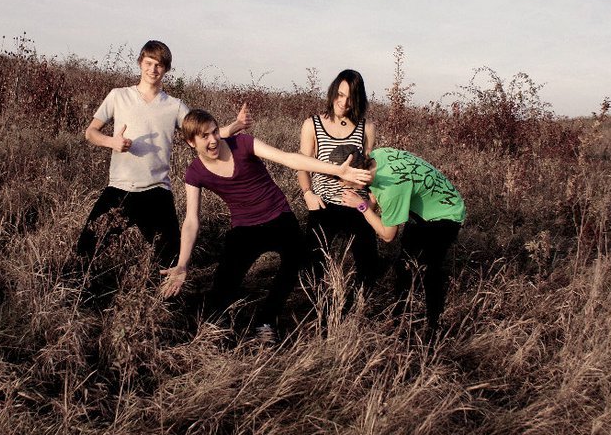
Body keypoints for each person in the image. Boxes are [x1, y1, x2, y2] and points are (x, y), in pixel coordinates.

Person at [159, 109, 371, 340]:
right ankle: (218, 328)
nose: (213, 140)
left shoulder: (242, 143)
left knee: (295, 261)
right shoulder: (195, 172)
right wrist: (182, 264)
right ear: (191, 142)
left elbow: (288, 158)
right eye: (204, 136)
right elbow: (191, 220)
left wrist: (337, 170)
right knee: (223, 286)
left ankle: (266, 320)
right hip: (244, 226)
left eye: (215, 132)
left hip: (278, 216)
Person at [76, 40, 251, 271]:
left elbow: (203, 133)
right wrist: (112, 142)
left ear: (166, 69)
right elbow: (90, 132)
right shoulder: (118, 96)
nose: (153, 69)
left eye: (159, 65)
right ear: (140, 63)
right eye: (149, 63)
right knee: (85, 250)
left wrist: (236, 126)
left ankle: (164, 293)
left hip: (156, 191)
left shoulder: (174, 106)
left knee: (171, 262)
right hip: (119, 188)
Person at [330, 144, 466, 331]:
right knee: (404, 266)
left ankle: (435, 325)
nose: (340, 184)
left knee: (428, 270)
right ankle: (399, 320)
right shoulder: (378, 156)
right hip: (428, 206)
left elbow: (388, 236)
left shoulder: (391, 189)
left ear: (357, 173)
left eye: (341, 178)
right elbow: (374, 194)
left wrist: (362, 207)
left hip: (446, 215)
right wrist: (370, 205)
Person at [297, 69, 379, 289]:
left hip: (357, 202)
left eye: (350, 98)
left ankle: (357, 303)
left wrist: (370, 201)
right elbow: (302, 165)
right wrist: (308, 194)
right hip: (323, 201)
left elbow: (370, 167)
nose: (343, 102)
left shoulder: (367, 127)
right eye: (340, 95)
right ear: (333, 92)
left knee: (369, 266)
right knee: (312, 265)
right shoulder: (312, 124)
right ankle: (319, 304)